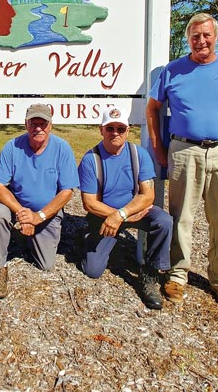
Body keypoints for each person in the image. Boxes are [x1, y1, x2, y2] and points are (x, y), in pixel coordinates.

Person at [145, 12, 218, 311]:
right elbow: (153, 108)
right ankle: (177, 274)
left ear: (215, 37)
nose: (201, 41)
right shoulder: (173, 70)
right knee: (181, 217)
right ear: (188, 39)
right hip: (183, 150)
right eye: (195, 36)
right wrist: (158, 146)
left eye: (206, 35)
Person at [78, 107, 173, 310]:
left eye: (120, 129)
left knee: (164, 221)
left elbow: (149, 195)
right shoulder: (90, 159)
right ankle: (89, 239)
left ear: (128, 131)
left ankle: (150, 275)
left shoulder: (139, 154)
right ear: (101, 130)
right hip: (103, 215)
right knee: (92, 271)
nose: (115, 133)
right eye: (110, 128)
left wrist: (122, 214)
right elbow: (89, 203)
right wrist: (116, 216)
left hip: (131, 212)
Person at [0, 103, 79, 299]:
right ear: (26, 124)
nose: (38, 128)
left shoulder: (62, 148)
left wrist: (38, 217)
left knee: (45, 265)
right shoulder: (12, 147)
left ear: (50, 125)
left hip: (46, 213)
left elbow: (67, 192)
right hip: (16, 207)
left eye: (43, 123)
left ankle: (24, 237)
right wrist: (21, 213)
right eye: (33, 123)